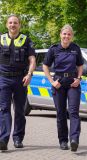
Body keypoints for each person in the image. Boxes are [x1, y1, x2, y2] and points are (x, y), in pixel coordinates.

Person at [43, 24, 83, 152]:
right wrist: (52, 81)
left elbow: (80, 65)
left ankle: (74, 140)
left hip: (72, 83)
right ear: (61, 35)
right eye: (64, 34)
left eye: (69, 34)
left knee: (73, 112)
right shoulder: (54, 49)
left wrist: (79, 78)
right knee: (61, 113)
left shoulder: (76, 48)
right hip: (58, 83)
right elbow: (45, 66)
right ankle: (63, 141)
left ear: (72, 36)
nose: (66, 36)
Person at [0, 15, 36, 151]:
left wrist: (29, 74)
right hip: (3, 79)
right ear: (6, 24)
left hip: (21, 79)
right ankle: (3, 139)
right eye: (10, 22)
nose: (13, 25)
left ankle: (18, 138)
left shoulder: (26, 40)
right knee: (4, 109)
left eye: (15, 23)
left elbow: (32, 60)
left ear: (19, 25)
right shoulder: (1, 39)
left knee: (19, 110)